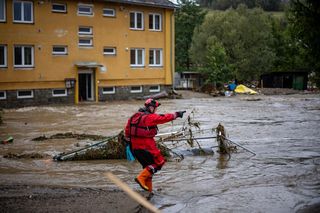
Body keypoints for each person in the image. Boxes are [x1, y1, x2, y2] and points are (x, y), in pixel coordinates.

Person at [124, 98, 186, 192]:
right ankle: (140, 178)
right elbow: (163, 118)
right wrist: (176, 114)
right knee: (159, 162)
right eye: (155, 108)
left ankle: (149, 191)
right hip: (146, 145)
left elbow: (127, 131)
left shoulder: (133, 117)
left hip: (135, 147)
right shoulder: (149, 117)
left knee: (148, 168)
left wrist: (129, 143)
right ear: (151, 108)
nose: (156, 110)